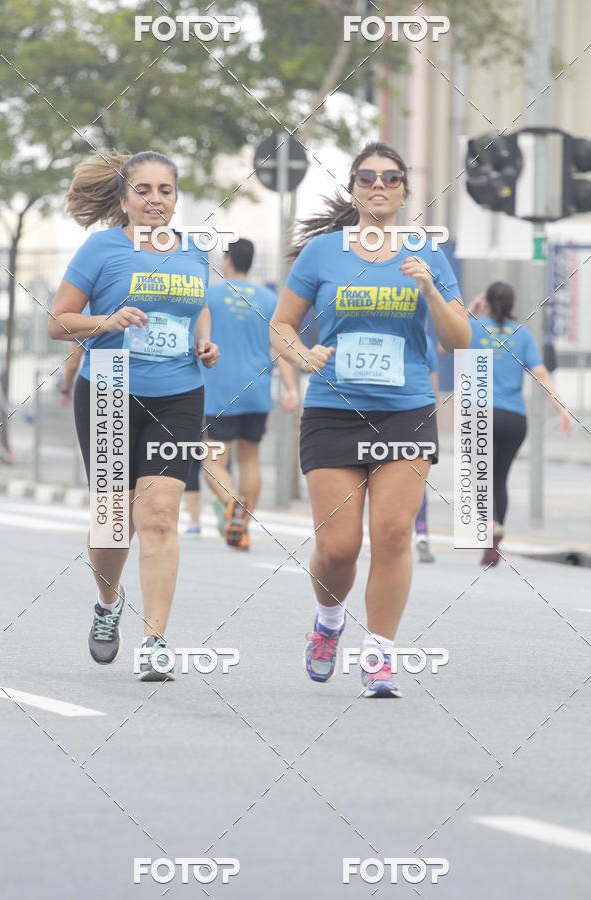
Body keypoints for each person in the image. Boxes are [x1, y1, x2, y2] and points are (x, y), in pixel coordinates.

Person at [270, 141, 471, 697]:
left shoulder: (427, 254)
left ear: (406, 191)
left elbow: (459, 340)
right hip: (334, 411)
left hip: (405, 410)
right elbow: (281, 325)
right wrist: (302, 355)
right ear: (353, 188)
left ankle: (379, 654)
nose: (378, 186)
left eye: (390, 178)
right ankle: (328, 622)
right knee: (338, 549)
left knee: (392, 533)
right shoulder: (322, 254)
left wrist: (429, 289)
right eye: (366, 178)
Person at [48, 150, 219, 681]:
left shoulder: (194, 250)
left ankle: (155, 640)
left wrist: (204, 341)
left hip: (179, 394)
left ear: (176, 197)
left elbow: (198, 305)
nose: (155, 200)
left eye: (164, 190)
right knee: (113, 521)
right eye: (143, 190)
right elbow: (58, 322)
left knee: (161, 516)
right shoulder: (101, 248)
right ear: (123, 199)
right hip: (109, 388)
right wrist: (107, 320)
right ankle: (107, 603)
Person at [199, 238, 298, 551]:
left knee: (212, 462)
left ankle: (232, 504)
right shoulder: (270, 300)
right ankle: (240, 528)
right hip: (257, 391)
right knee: (250, 459)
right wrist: (292, 388)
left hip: (219, 389)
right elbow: (281, 348)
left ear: (227, 260)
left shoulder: (209, 296)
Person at [468, 283, 572, 565]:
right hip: (515, 418)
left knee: (480, 476)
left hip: (481, 413)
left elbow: (443, 346)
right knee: (499, 477)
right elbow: (541, 375)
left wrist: (470, 312)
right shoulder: (522, 335)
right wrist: (561, 409)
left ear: (486, 302)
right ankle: (497, 528)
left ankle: (489, 524)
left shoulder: (473, 329)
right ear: (513, 306)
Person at [414, 332, 439, 563]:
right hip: (416, 415)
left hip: (377, 416)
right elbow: (433, 385)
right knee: (416, 480)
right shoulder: (425, 339)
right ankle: (421, 533)